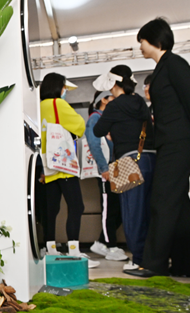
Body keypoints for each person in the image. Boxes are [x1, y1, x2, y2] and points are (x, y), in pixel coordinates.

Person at [137, 18, 190, 278]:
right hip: (171, 141)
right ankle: (185, 265)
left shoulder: (174, 64)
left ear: (155, 40)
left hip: (179, 142)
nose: (140, 46)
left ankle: (154, 264)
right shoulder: (162, 68)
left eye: (142, 41)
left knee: (162, 200)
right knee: (178, 204)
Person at [92, 65, 156, 274]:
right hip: (149, 157)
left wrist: (113, 128)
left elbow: (98, 130)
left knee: (131, 212)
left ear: (113, 84)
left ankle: (138, 260)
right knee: (148, 211)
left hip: (126, 161)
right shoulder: (140, 101)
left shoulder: (114, 105)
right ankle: (151, 257)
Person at [38, 73, 99, 268]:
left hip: (47, 164)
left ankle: (50, 249)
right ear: (58, 87)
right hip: (63, 164)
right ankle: (74, 250)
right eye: (64, 87)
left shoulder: (38, 106)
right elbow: (79, 126)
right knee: (76, 206)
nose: (65, 91)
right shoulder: (58, 104)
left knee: (51, 209)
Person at [85, 90, 128, 262]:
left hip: (116, 167)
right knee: (109, 209)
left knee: (118, 208)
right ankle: (111, 247)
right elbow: (94, 144)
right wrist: (104, 168)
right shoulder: (95, 118)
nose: (116, 100)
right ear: (103, 100)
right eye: (112, 97)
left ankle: (102, 242)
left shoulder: (108, 118)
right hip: (108, 169)